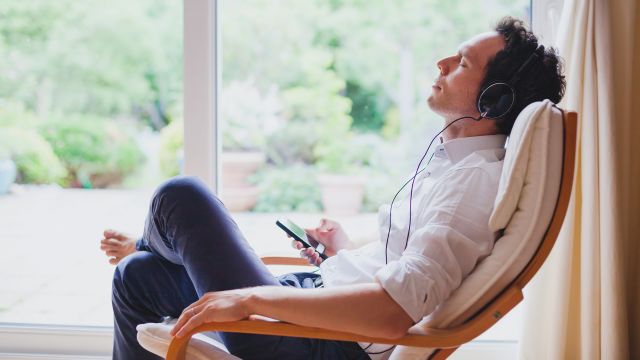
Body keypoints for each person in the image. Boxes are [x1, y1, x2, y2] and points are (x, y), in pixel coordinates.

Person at [101, 17, 565, 360]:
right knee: (136, 277)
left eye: (462, 62)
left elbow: (392, 313)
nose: (442, 62)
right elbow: (408, 270)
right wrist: (341, 253)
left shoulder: (472, 183)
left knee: (180, 197)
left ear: (495, 98)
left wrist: (251, 298)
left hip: (316, 340)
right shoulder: (451, 167)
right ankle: (151, 251)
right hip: (311, 306)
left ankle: (152, 242)